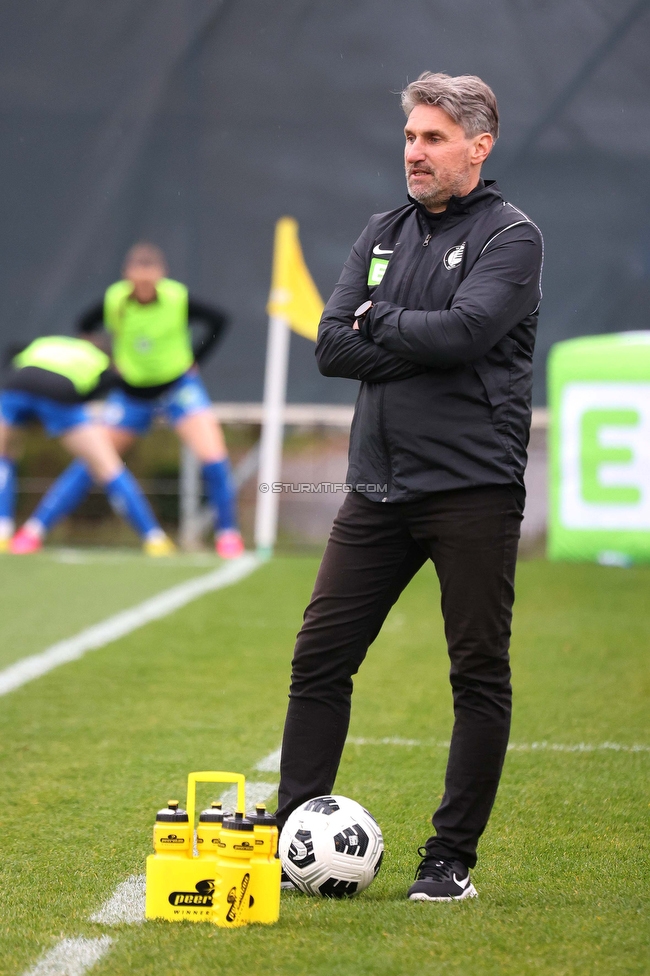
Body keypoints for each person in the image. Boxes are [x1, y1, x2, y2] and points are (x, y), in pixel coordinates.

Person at [276, 72, 544, 901]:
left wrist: (379, 323)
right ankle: (292, 837)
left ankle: (448, 861)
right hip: (377, 490)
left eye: (432, 138)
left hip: (472, 489)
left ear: (478, 145)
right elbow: (329, 344)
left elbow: (467, 331)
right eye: (410, 137)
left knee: (477, 673)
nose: (415, 153)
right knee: (320, 658)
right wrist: (408, 337)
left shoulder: (512, 237)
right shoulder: (382, 229)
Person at [12, 243, 244, 558]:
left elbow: (220, 319)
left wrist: (196, 357)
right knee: (94, 460)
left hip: (178, 388)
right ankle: (34, 531)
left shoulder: (177, 298)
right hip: (131, 394)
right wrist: (107, 359)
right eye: (138, 279)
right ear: (128, 276)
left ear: (161, 275)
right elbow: (85, 324)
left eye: (150, 278)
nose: (144, 285)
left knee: (214, 456)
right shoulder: (115, 300)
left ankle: (228, 535)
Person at [0, 335, 175, 555]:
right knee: (108, 465)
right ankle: (154, 538)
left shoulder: (48, 342)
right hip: (60, 392)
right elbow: (87, 394)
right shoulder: (101, 361)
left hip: (16, 386)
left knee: (4, 455)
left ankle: (2, 532)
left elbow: (14, 361)